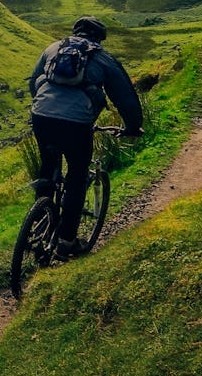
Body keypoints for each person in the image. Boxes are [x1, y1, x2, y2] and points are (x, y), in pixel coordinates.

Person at [29, 16, 143, 260]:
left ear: (75, 32)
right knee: (77, 177)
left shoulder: (52, 48)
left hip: (41, 116)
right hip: (76, 124)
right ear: (99, 38)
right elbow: (125, 99)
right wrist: (132, 127)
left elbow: (34, 82)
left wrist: (45, 105)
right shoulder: (103, 58)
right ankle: (67, 241)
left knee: (48, 167)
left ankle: (39, 222)